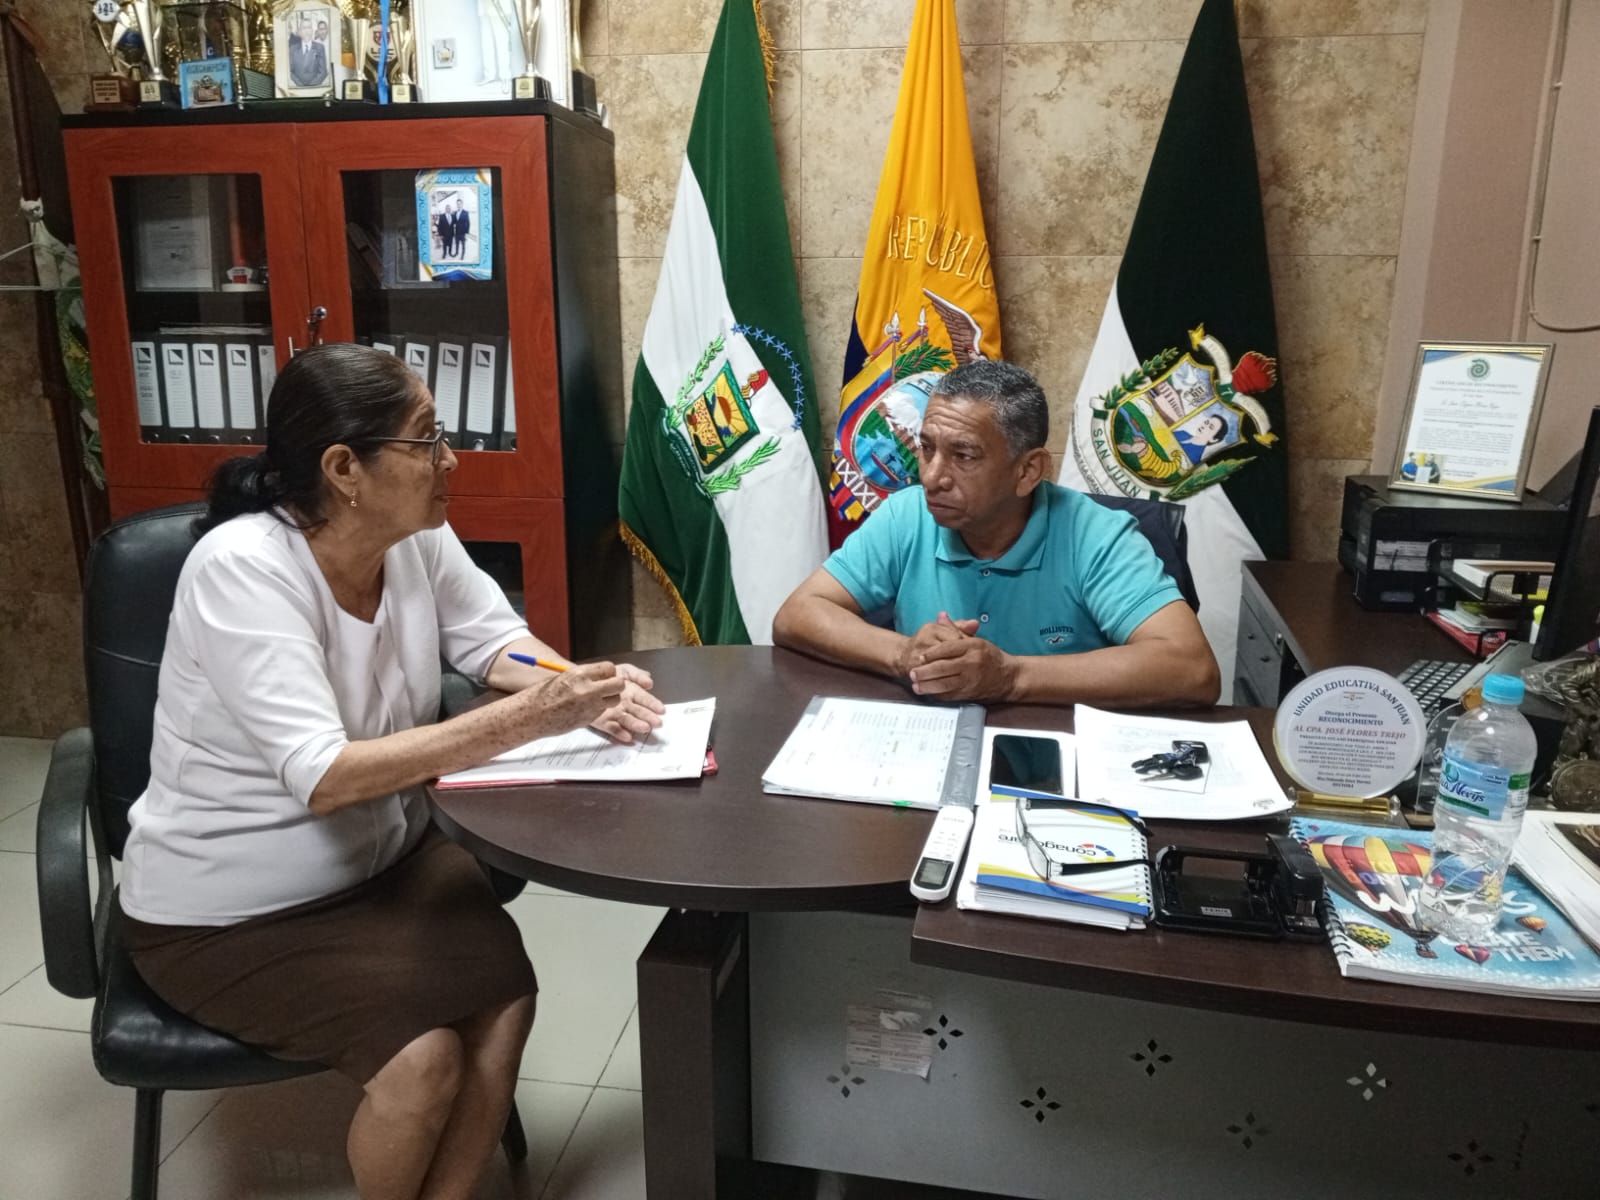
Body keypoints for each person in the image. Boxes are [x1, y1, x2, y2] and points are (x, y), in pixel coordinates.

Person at [118, 343, 665, 1199]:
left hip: (391, 863)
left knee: (505, 1001)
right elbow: (323, 776)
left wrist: (579, 689)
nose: (452, 459)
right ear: (345, 470)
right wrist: (527, 718)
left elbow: (495, 642)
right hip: (230, 913)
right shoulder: (242, 570)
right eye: (427, 438)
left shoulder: (416, 539)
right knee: (423, 1062)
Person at [773, 360, 1220, 708]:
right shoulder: (908, 515)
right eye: (926, 448)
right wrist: (903, 653)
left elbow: (1192, 667)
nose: (932, 477)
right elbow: (797, 615)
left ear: (1028, 471)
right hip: (930, 753)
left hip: (1059, 767)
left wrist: (1010, 676)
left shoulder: (1095, 534)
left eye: (963, 456)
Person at [287, 12, 327, 88]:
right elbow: (290, 71)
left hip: (315, 88)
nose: (306, 31)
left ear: (312, 30)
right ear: (299, 31)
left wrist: (311, 86)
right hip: (298, 88)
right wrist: (301, 86)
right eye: (304, 28)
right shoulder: (293, 49)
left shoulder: (320, 48)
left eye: (309, 27)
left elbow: (323, 72)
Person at [452, 196, 472, 262]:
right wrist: (452, 215)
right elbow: (454, 222)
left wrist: (467, 232)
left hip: (463, 232)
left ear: (462, 204)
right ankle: (456, 252)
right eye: (457, 204)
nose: (459, 205)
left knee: (463, 244)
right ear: (456, 205)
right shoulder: (455, 213)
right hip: (457, 232)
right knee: (457, 243)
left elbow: (468, 223)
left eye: (460, 204)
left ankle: (462, 255)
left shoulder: (466, 212)